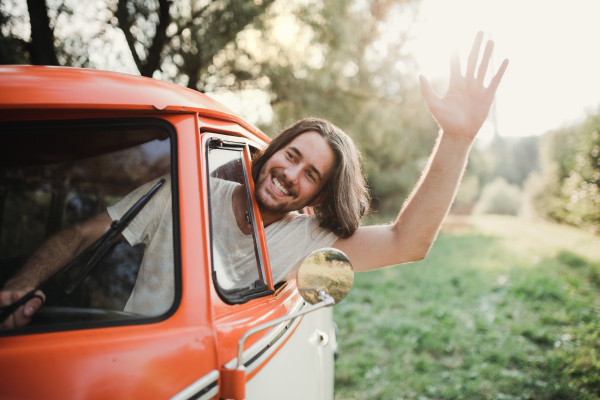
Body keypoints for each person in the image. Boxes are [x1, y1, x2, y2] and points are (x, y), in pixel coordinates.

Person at [0, 32, 508, 329]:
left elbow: (407, 241)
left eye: (311, 175)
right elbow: (82, 234)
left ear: (317, 195)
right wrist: (24, 282)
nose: (290, 175)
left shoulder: (309, 238)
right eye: (291, 155)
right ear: (273, 151)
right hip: (137, 354)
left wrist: (457, 138)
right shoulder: (187, 194)